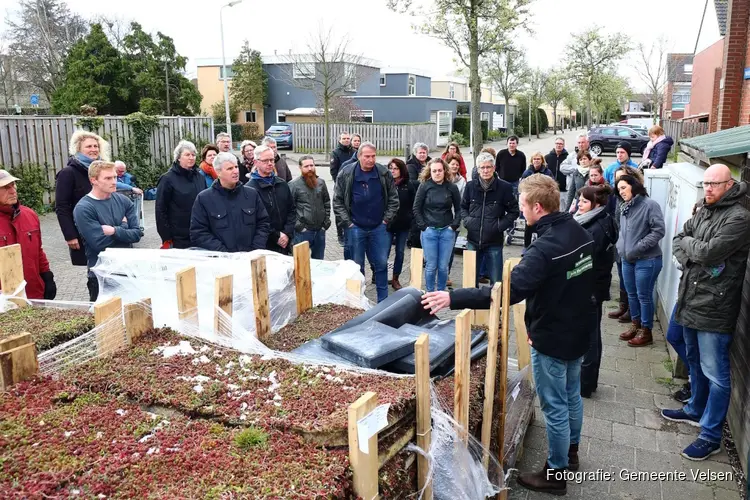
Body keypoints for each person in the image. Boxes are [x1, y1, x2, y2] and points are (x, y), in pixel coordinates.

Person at [421, 174, 595, 495]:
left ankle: (555, 475)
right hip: (580, 330)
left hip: (553, 338)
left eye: (522, 205)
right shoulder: (580, 233)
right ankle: (570, 451)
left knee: (555, 406)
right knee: (571, 396)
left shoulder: (544, 249)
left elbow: (506, 293)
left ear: (537, 208)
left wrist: (452, 297)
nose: (520, 211)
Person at [662, 164, 750, 461]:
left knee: (716, 373)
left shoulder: (739, 218)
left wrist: (691, 247)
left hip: (715, 305)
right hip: (690, 296)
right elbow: (679, 240)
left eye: (714, 184)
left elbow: (707, 252)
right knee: (682, 344)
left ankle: (710, 435)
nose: (708, 188)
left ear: (729, 185)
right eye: (706, 183)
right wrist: (690, 252)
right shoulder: (704, 209)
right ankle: (696, 407)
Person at [333, 142, 399, 303]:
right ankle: (358, 301)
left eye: (373, 156)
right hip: (355, 227)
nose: (370, 159)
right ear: (359, 156)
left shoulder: (383, 173)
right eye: (367, 156)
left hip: (379, 228)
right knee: (357, 267)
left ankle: (383, 302)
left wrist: (386, 220)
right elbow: (338, 201)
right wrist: (348, 223)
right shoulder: (346, 173)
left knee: (382, 264)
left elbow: (393, 199)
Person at [73, 161, 142, 301]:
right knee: (105, 320)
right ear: (94, 180)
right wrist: (123, 227)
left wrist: (114, 230)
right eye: (108, 178)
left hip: (127, 271)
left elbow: (137, 234)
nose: (114, 182)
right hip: (101, 275)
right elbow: (99, 243)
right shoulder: (84, 208)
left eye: (115, 177)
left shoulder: (124, 201)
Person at [56, 130, 126, 266]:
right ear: (78, 149)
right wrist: (70, 235)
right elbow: (62, 207)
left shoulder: (104, 170)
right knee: (92, 268)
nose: (94, 149)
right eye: (89, 146)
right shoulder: (68, 173)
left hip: (108, 227)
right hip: (85, 230)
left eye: (96, 146)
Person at [574, 184, 617, 397]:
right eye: (579, 200)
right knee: (592, 334)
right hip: (594, 286)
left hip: (590, 288)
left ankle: (586, 383)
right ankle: (588, 381)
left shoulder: (596, 227)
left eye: (583, 201)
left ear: (596, 204)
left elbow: (584, 259)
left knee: (590, 336)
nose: (579, 204)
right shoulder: (599, 220)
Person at [615, 174, 665, 347]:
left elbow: (658, 231)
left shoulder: (650, 205)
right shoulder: (624, 206)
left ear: (633, 186)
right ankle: (635, 326)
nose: (621, 192)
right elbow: (623, 231)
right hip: (628, 259)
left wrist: (637, 248)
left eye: (623, 187)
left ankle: (646, 331)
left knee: (644, 295)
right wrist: (621, 247)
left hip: (647, 259)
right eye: (619, 189)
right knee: (632, 294)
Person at [190, 152, 270, 252]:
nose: (235, 171)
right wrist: (224, 253)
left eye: (236, 167)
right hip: (221, 261)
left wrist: (255, 249)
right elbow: (199, 233)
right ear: (218, 172)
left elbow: (263, 223)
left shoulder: (251, 195)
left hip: (250, 257)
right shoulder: (204, 199)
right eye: (229, 169)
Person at [461, 152, 518, 285]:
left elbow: (513, 211)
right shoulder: (470, 187)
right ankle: (471, 305)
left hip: (494, 241)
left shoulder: (504, 187)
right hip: (473, 240)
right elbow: (463, 207)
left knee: (496, 281)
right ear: (478, 169)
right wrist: (467, 221)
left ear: (494, 168)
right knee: (470, 280)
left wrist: (499, 226)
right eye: (482, 167)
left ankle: (496, 305)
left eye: (488, 167)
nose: (485, 170)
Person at [0, 170, 56, 300]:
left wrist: (47, 276)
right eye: (5, 187)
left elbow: (38, 251)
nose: (13, 190)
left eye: (13, 185)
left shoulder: (29, 215)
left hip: (34, 292)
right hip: (4, 298)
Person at [414, 158, 461, 292]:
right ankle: (430, 292)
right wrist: (423, 227)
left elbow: (459, 209)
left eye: (440, 170)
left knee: (443, 266)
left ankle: (440, 292)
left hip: (447, 231)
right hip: (429, 231)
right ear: (430, 171)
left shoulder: (452, 187)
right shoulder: (424, 186)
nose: (437, 173)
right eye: (434, 171)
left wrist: (454, 226)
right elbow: (416, 208)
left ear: (444, 171)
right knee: (431, 266)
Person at [155, 140, 207, 249]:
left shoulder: (200, 177)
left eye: (193, 155)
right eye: (187, 155)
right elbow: (160, 209)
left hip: (200, 232)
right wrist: (166, 237)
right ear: (178, 157)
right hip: (178, 236)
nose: (191, 157)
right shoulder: (167, 179)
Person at [608, 166, 644, 323]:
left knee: (631, 281)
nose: (619, 183)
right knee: (622, 276)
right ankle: (623, 306)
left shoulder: (639, 200)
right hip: (619, 242)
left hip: (632, 246)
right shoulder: (617, 198)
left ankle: (632, 311)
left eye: (622, 178)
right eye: (616, 180)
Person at [248, 145, 296, 255]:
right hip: (265, 244)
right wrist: (276, 236)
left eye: (272, 160)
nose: (270, 163)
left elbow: (292, 210)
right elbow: (255, 219)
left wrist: (286, 233)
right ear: (256, 162)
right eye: (265, 160)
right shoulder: (250, 189)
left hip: (285, 242)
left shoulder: (282, 184)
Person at [289, 155, 330, 260]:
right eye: (306, 166)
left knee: (319, 262)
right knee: (301, 264)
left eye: (312, 165)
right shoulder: (294, 185)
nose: (310, 168)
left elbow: (326, 202)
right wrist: (299, 226)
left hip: (320, 231)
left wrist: (325, 223)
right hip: (303, 232)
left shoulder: (321, 183)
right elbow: (290, 209)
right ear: (300, 168)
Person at [386, 158, 417, 290]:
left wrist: (410, 217)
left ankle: (395, 278)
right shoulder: (385, 183)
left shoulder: (408, 185)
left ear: (401, 170)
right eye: (390, 168)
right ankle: (382, 275)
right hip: (387, 224)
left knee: (400, 252)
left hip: (403, 224)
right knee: (384, 252)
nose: (392, 171)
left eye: (395, 168)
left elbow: (414, 204)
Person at [560, 133, 597, 211]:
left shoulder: (593, 156)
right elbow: (562, 167)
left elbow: (597, 171)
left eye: (583, 142)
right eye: (579, 143)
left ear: (588, 143)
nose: (581, 145)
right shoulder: (571, 156)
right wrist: (577, 169)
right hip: (572, 192)